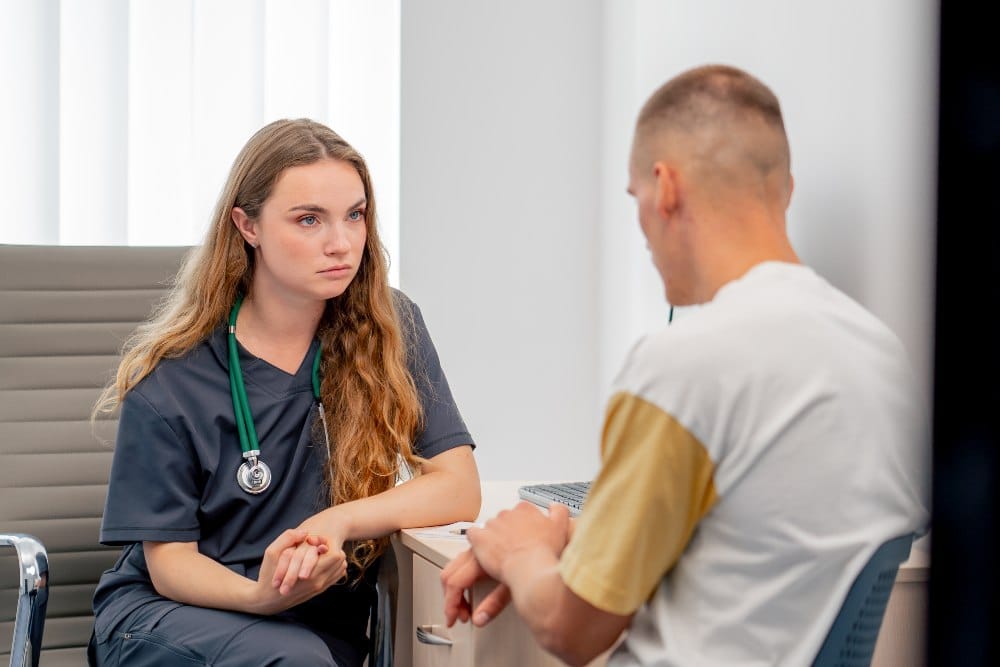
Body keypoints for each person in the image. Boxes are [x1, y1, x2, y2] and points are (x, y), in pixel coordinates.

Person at [441, 64, 929, 666]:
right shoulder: (885, 358)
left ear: (664, 187)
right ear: (785, 189)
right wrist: (578, 545)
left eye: (635, 197)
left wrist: (520, 551)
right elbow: (757, 553)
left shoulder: (687, 365)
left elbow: (572, 630)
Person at [88, 119, 481, 666]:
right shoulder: (173, 375)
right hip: (173, 617)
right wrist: (259, 597)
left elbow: (457, 486)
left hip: (313, 621)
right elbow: (169, 563)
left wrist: (338, 521)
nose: (341, 243)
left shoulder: (389, 328)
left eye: (355, 215)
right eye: (309, 220)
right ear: (248, 226)